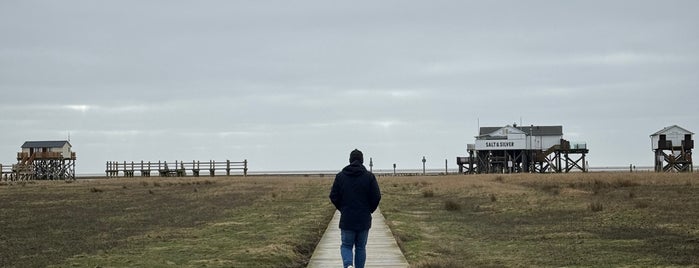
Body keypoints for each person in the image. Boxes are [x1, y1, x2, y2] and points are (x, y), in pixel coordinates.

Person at [329, 149, 381, 268]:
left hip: (347, 218)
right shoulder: (369, 177)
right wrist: (369, 209)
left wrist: (342, 208)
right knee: (360, 247)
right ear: (362, 160)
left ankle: (348, 265)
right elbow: (377, 196)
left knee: (346, 246)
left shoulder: (340, 176)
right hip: (363, 218)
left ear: (350, 160)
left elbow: (333, 196)